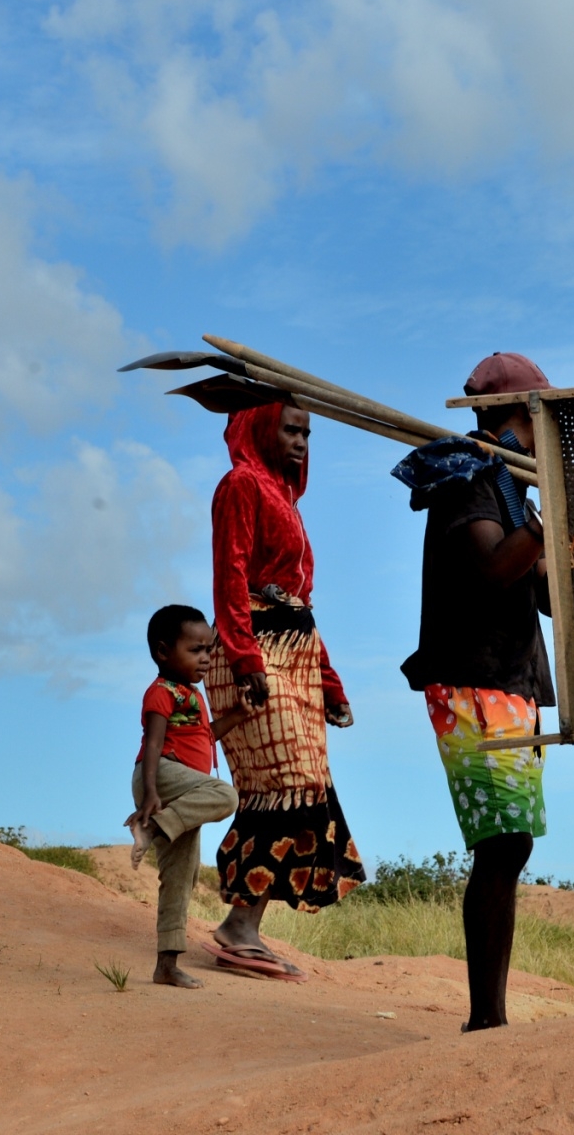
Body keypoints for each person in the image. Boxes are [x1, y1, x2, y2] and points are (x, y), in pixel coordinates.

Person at [398, 352, 553, 1031]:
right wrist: (546, 532)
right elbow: (495, 567)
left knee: (510, 841)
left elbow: (540, 593)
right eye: (537, 415)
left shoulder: (515, 483)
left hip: (511, 678)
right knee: (502, 840)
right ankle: (486, 1018)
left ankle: (489, 1014)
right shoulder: (469, 476)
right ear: (517, 414)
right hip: (472, 677)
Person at [203, 401, 365, 980]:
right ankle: (238, 929)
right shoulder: (241, 485)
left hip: (293, 657)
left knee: (304, 787)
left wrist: (329, 681)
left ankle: (243, 928)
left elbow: (301, 605)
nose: (301, 442)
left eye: (306, 432)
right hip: (252, 653)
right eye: (290, 429)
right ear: (262, 428)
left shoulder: (286, 498)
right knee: (283, 786)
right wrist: (247, 661)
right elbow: (230, 577)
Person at [127, 604, 249, 989]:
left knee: (181, 877)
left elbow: (205, 737)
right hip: (161, 780)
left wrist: (239, 715)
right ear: (164, 652)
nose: (206, 659)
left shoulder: (190, 695)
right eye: (195, 650)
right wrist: (149, 794)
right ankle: (154, 827)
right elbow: (153, 743)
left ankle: (166, 965)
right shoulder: (161, 693)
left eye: (209, 650)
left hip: (183, 791)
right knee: (227, 796)